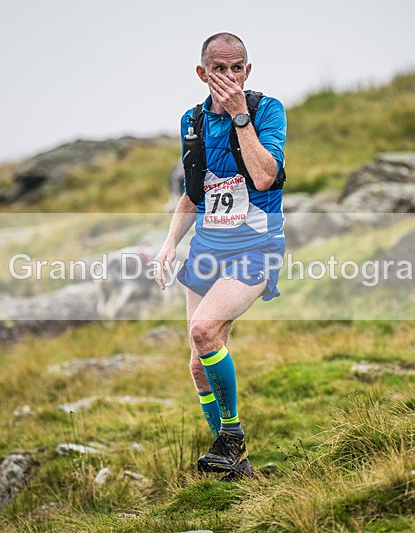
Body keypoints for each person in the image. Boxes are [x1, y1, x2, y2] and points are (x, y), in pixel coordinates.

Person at [153, 32, 287, 477]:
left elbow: (266, 177)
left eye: (237, 68)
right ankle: (236, 469)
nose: (229, 77)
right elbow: (194, 195)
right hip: (207, 247)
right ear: (202, 73)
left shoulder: (268, 111)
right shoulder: (191, 121)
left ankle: (231, 438)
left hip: (256, 245)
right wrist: (169, 243)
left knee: (204, 330)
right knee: (198, 365)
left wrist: (240, 118)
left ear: (247, 70)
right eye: (219, 69)